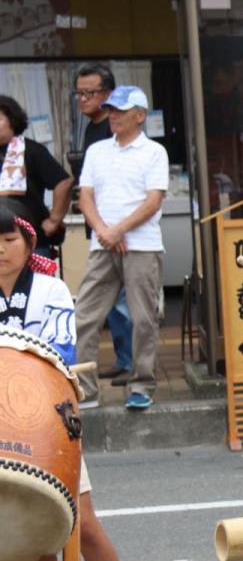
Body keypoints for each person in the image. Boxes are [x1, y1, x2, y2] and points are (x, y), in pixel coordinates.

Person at [0, 202, 153, 561]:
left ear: (29, 243)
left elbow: (60, 355)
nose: (2, 250)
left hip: (43, 419)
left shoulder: (51, 290)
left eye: (10, 240)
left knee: (83, 522)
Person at [74, 86, 168, 411]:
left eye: (120, 110)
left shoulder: (154, 151)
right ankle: (85, 388)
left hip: (141, 245)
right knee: (84, 316)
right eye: (111, 109)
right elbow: (84, 196)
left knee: (143, 319)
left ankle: (142, 384)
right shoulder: (97, 150)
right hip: (103, 245)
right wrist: (104, 232)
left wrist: (117, 230)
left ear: (140, 115)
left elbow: (153, 201)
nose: (112, 115)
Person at [74, 63, 133, 386]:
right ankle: (123, 360)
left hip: (121, 236)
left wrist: (116, 230)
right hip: (102, 233)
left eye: (90, 93)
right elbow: (89, 191)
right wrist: (102, 230)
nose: (82, 99)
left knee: (125, 305)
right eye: (79, 93)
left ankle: (131, 363)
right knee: (106, 305)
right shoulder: (91, 130)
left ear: (108, 95)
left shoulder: (117, 132)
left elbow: (126, 189)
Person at [0, 95, 72, 258]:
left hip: (31, 241)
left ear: (12, 120)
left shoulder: (31, 150)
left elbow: (63, 182)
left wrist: (54, 219)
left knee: (34, 284)